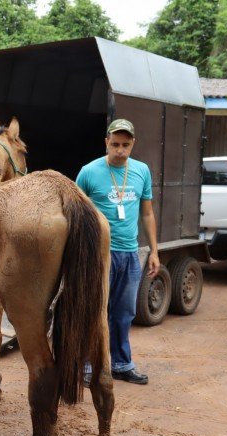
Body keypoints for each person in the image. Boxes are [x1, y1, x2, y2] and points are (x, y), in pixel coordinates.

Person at [76, 118, 159, 385]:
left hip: (130, 254)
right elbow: (77, 215)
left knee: (124, 313)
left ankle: (122, 364)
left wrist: (154, 251)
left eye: (125, 144)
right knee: (94, 310)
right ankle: (88, 365)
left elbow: (147, 213)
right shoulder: (88, 172)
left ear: (133, 144)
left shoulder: (142, 171)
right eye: (115, 144)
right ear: (106, 143)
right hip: (99, 254)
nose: (120, 150)